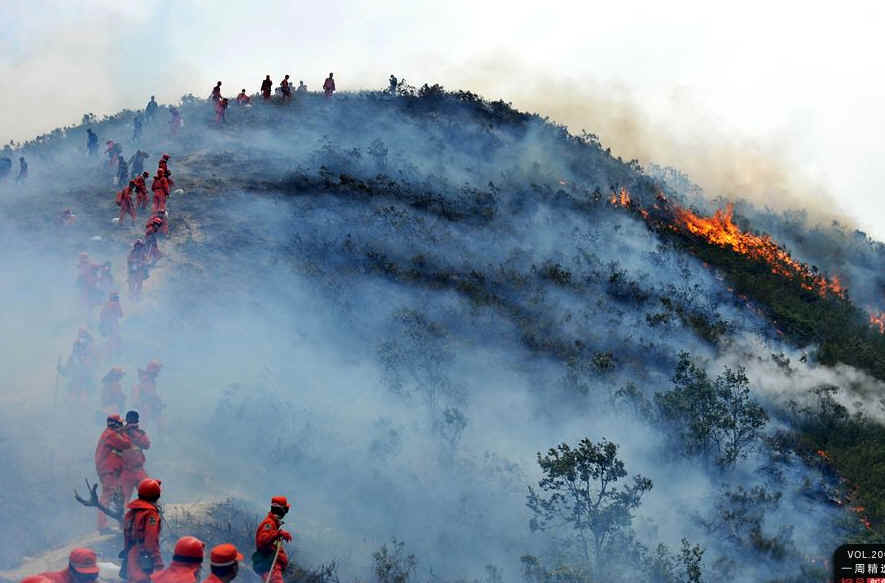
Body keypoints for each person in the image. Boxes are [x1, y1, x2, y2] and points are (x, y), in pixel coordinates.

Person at [95, 414, 132, 533]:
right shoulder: (111, 435)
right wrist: (124, 432)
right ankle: (102, 526)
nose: (122, 425)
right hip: (109, 471)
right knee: (107, 496)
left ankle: (122, 524)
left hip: (112, 470)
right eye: (120, 423)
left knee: (119, 496)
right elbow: (126, 444)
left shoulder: (110, 433)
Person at [122, 478, 163, 583]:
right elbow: (151, 541)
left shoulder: (130, 513)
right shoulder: (151, 515)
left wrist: (127, 557)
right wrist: (158, 562)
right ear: (156, 496)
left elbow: (126, 538)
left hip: (131, 556)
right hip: (143, 557)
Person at [253, 497, 292, 583]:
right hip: (270, 566)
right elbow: (263, 540)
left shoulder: (273, 524)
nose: (285, 513)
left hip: (272, 566)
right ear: (281, 510)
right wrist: (278, 533)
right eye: (286, 510)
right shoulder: (269, 523)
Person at [58, 328, 99, 402]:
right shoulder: (72, 359)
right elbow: (67, 372)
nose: (77, 349)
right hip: (74, 386)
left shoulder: (89, 358)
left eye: (79, 347)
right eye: (76, 347)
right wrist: (60, 368)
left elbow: (91, 372)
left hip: (86, 386)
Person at [121, 410, 151, 502]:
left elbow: (147, 444)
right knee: (123, 500)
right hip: (125, 471)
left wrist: (134, 434)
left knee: (149, 494)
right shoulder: (121, 433)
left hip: (138, 470)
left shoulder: (139, 433)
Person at [33, 548, 101, 583]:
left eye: (93, 575)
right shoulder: (54, 579)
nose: (90, 581)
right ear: (71, 569)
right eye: (84, 577)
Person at [132, 360, 164, 427]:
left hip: (151, 405)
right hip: (146, 405)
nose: (158, 371)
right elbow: (148, 393)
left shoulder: (150, 380)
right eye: (157, 369)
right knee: (144, 424)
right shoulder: (146, 380)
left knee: (159, 423)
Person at [99, 290, 124, 358]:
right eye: (117, 297)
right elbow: (121, 315)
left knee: (110, 340)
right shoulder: (116, 304)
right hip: (111, 325)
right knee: (114, 340)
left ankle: (109, 355)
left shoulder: (106, 304)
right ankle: (115, 354)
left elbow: (101, 316)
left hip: (104, 325)